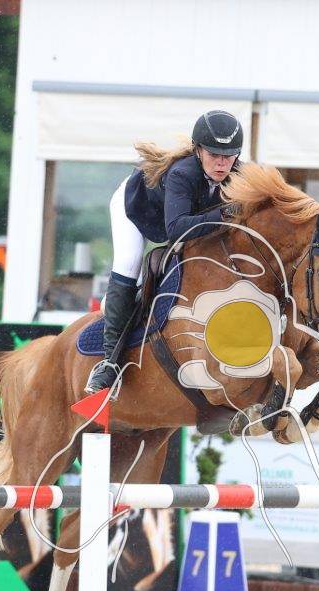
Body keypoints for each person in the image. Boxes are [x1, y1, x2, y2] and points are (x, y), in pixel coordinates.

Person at [85, 110, 244, 395]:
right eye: (214, 155)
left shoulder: (239, 175)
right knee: (129, 264)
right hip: (136, 209)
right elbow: (176, 229)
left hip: (180, 217)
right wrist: (223, 214)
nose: (222, 163)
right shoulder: (183, 174)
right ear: (198, 150)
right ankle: (109, 363)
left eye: (229, 156)